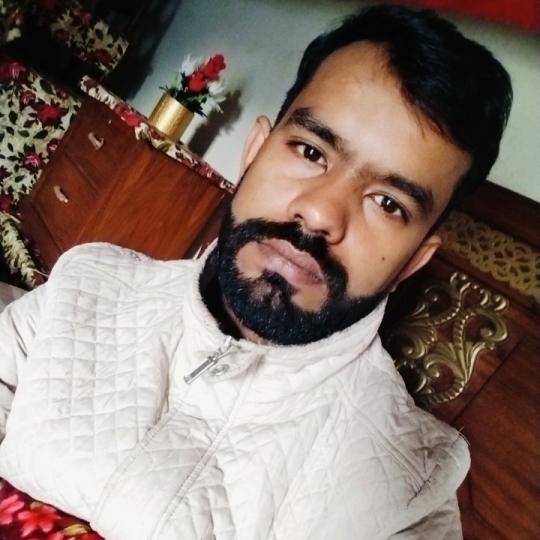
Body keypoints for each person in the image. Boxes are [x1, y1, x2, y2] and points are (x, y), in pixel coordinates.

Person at [0, 4, 512, 539]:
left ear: (414, 259)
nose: (320, 213)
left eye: (387, 203)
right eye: (311, 151)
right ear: (254, 152)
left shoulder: (406, 493)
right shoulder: (91, 285)